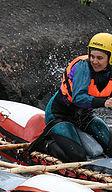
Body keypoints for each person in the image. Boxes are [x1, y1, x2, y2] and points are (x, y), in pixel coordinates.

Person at [29, 33, 112, 162]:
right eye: (92, 56)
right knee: (77, 156)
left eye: (100, 58)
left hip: (84, 117)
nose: (94, 61)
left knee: (111, 146)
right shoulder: (83, 68)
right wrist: (105, 103)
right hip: (59, 115)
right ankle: (45, 144)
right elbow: (78, 98)